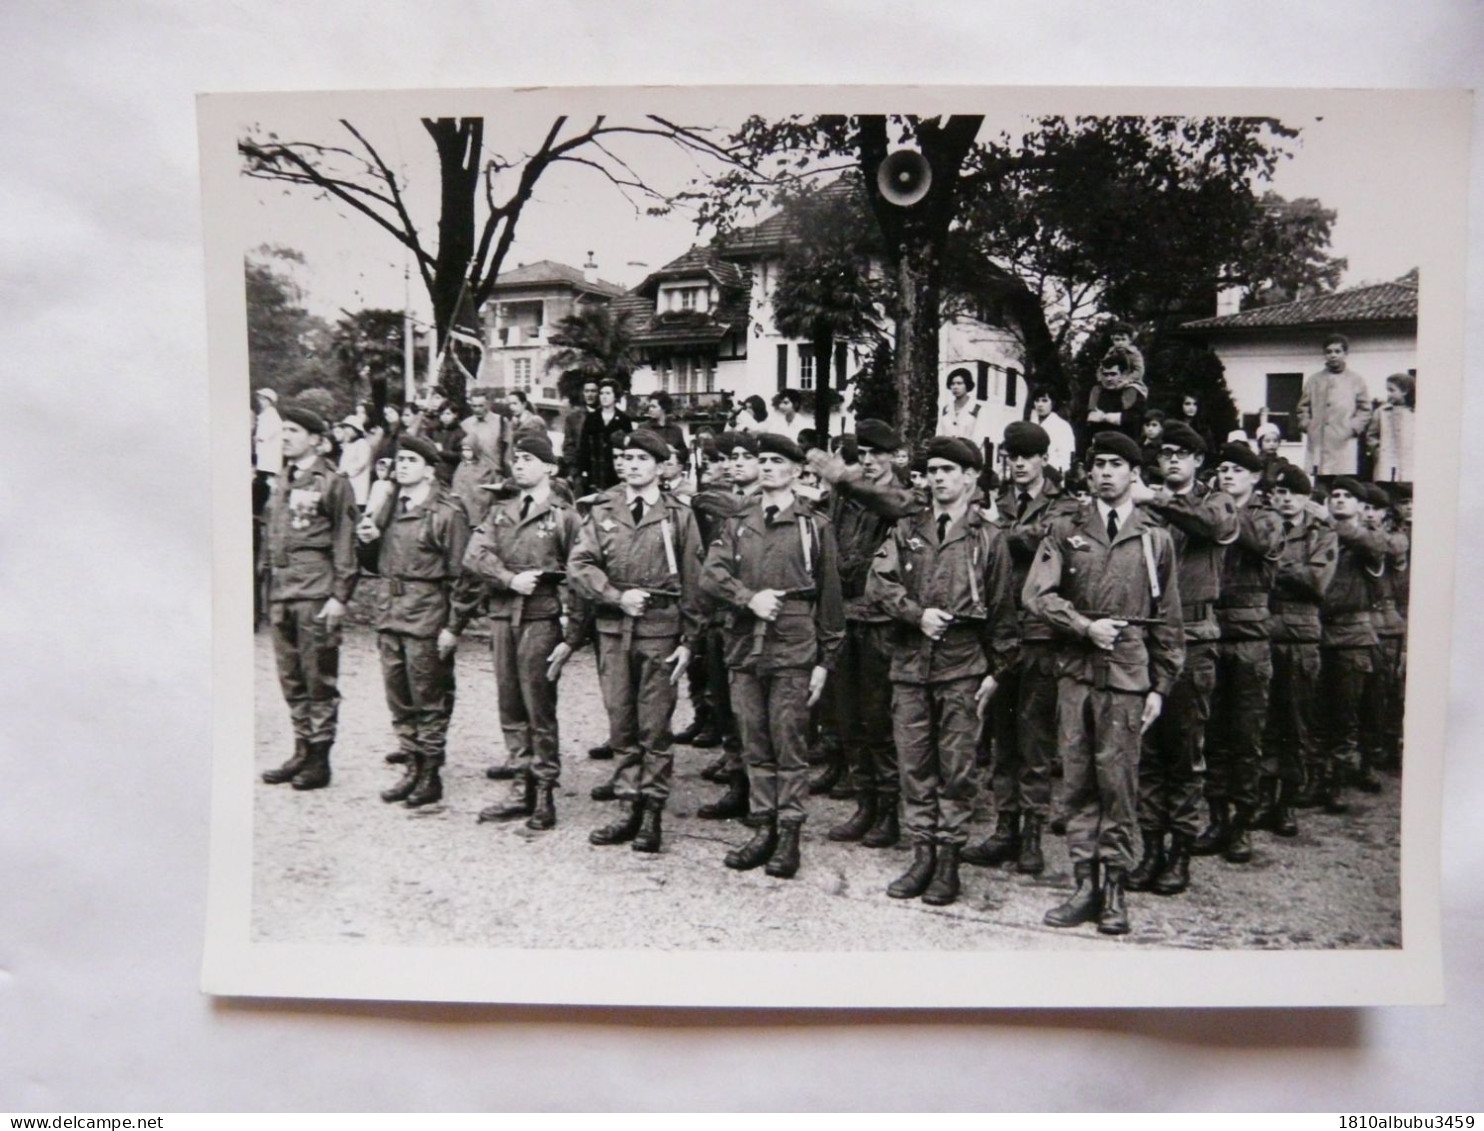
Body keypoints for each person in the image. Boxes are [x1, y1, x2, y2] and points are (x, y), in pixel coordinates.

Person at [1023, 431, 1184, 936]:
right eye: (1100, 464)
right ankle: (1084, 884)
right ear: (1089, 474)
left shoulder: (1155, 537)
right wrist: (1082, 626)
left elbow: (1170, 619)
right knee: (1076, 780)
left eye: (1119, 463)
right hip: (1076, 671)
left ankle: (1114, 889)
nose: (1108, 472)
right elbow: (1037, 594)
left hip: (1128, 675)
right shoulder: (1066, 529)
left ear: (1135, 474)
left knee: (1119, 783)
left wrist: (1161, 686)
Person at [866, 436, 1018, 905]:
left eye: (948, 470)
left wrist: (997, 671)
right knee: (915, 765)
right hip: (911, 663)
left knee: (957, 769)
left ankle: (948, 860)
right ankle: (922, 855)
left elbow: (1003, 612)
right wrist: (915, 614)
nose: (937, 477)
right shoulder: (907, 529)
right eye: (931, 470)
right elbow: (878, 583)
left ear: (971, 478)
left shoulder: (987, 537)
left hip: (962, 667)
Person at [701, 434, 844, 879]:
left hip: (793, 646)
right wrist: (748, 598)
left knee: (789, 744)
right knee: (754, 742)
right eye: (760, 460)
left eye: (775, 461)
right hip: (745, 644)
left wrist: (825, 662)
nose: (764, 467)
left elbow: (832, 600)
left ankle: (789, 834)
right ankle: (762, 827)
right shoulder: (738, 520)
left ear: (798, 472)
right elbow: (711, 574)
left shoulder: (812, 527)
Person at [569, 430, 703, 853]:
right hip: (613, 630)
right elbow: (579, 564)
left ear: (660, 467)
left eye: (641, 458)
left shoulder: (677, 516)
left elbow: (696, 580)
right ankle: (628, 805)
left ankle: (652, 814)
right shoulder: (601, 510)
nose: (630, 465)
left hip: (660, 631)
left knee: (655, 727)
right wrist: (614, 596)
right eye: (624, 457)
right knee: (621, 724)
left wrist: (690, 640)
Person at [454, 435, 590, 830]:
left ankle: (545, 789)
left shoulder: (564, 516)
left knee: (538, 706)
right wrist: (510, 579)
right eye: (516, 458)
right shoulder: (500, 511)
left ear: (550, 468)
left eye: (529, 459)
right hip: (502, 615)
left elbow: (580, 572)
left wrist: (572, 635)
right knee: (510, 704)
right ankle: (520, 785)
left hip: (541, 619)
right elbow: (474, 555)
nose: (519, 464)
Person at [964, 421, 1081, 876]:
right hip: (1001, 631)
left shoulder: (1063, 505)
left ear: (1043, 460)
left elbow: (1045, 541)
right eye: (1011, 456)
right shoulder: (1002, 502)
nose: (1017, 464)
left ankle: (1031, 833)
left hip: (1039, 635)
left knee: (1034, 739)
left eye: (1026, 456)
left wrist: (998, 532)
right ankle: (1005, 827)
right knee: (1001, 737)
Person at [1127, 423, 1239, 895]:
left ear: (1198, 461)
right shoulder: (1146, 505)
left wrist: (1155, 500)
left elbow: (1213, 527)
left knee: (1186, 753)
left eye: (1182, 454)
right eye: (1166, 454)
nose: (1172, 461)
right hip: (1149, 639)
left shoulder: (1215, 501)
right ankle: (1151, 847)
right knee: (1147, 752)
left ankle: (1181, 853)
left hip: (1193, 637)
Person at [803, 420, 908, 845]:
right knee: (847, 717)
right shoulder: (845, 495)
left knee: (879, 719)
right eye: (861, 454)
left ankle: (888, 811)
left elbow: (890, 504)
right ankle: (865, 804)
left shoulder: (902, 495)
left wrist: (842, 479)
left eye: (876, 454)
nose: (867, 461)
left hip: (882, 623)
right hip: (845, 617)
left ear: (893, 457)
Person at [354, 435, 471, 809]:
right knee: (399, 697)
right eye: (398, 460)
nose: (401, 465)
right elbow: (375, 564)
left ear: (429, 468)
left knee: (429, 696)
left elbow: (462, 577)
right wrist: (368, 540)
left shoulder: (447, 512)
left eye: (410, 460)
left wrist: (453, 627)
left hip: (425, 616)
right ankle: (412, 762)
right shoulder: (389, 504)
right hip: (390, 613)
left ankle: (431, 773)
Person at [259, 406, 360, 790]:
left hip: (315, 592)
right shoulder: (283, 479)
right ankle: (301, 748)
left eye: (293, 431)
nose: (284, 437)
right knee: (292, 677)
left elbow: (344, 540)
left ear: (317, 440)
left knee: (319, 677)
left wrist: (340, 595)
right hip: (283, 592)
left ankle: (320, 759)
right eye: (282, 430)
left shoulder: (332, 482)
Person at [1193, 442, 1283, 864]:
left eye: (1236, 469)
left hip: (1249, 640)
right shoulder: (1213, 510)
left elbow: (1254, 539)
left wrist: (1223, 511)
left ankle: (1241, 825)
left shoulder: (1266, 517)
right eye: (1222, 468)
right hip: (1213, 632)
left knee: (1246, 736)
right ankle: (1216, 818)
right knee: (1212, 735)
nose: (1226, 475)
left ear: (1254, 477)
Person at [1263, 463, 1338, 829]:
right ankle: (1262, 797)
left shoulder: (1321, 534)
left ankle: (1286, 803)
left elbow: (1317, 581)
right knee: (1261, 720)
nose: (1286, 499)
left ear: (1307, 498)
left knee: (1294, 723)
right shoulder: (1264, 528)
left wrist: (1274, 565)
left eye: (1293, 493)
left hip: (1299, 636)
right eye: (1279, 493)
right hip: (1264, 632)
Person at [1315, 478, 1389, 812]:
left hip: (1353, 638)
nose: (1340, 500)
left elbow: (1371, 547)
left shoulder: (1370, 540)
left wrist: (1325, 521)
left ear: (1362, 506)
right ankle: (1316, 777)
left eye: (1348, 496)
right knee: (1316, 711)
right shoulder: (1322, 535)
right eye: (1335, 496)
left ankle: (1336, 782)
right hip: (1318, 632)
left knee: (1346, 714)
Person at [1358, 483, 1409, 784]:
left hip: (1383, 625)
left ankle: (1369, 759)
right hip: (1355, 621)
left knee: (1377, 695)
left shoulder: (1396, 539)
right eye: (1364, 507)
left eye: (1375, 509)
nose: (1369, 514)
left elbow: (1391, 549)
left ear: (1387, 514)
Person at [1295, 334, 1371, 479]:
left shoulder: (1356, 380)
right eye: (1329, 352)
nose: (1333, 355)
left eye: (1337, 351)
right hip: (1318, 442)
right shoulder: (1314, 380)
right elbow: (1302, 407)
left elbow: (1365, 409)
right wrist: (1307, 425)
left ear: (1345, 354)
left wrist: (1353, 427)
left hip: (1344, 441)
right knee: (1321, 485)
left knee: (1342, 483)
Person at [577, 378, 633, 493]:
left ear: (615, 396)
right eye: (601, 393)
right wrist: (583, 470)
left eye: (608, 393)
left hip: (615, 474)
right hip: (594, 474)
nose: (604, 396)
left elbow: (629, 447)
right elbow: (584, 447)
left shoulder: (624, 420)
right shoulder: (591, 418)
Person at [1084, 347, 1147, 449]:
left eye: (1113, 374)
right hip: (1099, 445)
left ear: (1123, 374)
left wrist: (1105, 417)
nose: (1109, 379)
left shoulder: (1133, 391)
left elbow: (1137, 419)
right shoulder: (1097, 392)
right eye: (1105, 374)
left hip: (1126, 445)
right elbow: (1086, 420)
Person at [1366, 373, 1416, 484]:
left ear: (1405, 391)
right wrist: (1377, 451)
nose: (1388, 394)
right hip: (1386, 464)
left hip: (1410, 463)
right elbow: (1372, 435)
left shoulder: (1415, 413)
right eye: (1387, 390)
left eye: (1392, 390)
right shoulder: (1381, 412)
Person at [1029, 385, 1076, 475]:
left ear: (1052, 403)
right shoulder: (1031, 424)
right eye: (1037, 400)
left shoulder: (1062, 426)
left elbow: (1065, 457)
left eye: (1044, 400)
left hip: (1053, 473)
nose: (1040, 404)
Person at [563, 380, 601, 488]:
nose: (590, 395)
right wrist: (572, 471)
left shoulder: (605, 415)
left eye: (593, 391)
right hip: (579, 471)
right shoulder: (573, 418)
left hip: (601, 472)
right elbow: (569, 445)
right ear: (583, 393)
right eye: (587, 391)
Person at [461, 392, 507, 477]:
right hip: (472, 474)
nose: (477, 409)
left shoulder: (500, 422)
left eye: (481, 406)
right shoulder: (466, 424)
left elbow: (508, 451)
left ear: (488, 405)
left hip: (494, 473)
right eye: (474, 406)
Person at [936, 369, 986, 444]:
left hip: (969, 453)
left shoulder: (977, 409)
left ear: (967, 385)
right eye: (953, 384)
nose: (955, 387)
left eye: (959, 383)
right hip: (947, 452)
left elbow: (978, 438)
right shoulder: (946, 410)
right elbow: (940, 434)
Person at [336, 416, 373, 507]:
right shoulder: (348, 445)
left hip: (357, 481)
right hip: (346, 481)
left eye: (349, 428)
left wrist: (347, 471)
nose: (346, 431)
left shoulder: (362, 444)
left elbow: (362, 463)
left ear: (356, 429)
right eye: (344, 428)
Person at [254, 387, 283, 481]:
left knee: (266, 478)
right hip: (264, 453)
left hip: (269, 454)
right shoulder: (265, 415)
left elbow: (265, 435)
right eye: (260, 399)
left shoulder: (271, 415)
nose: (260, 401)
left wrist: (257, 438)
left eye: (263, 399)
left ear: (269, 401)